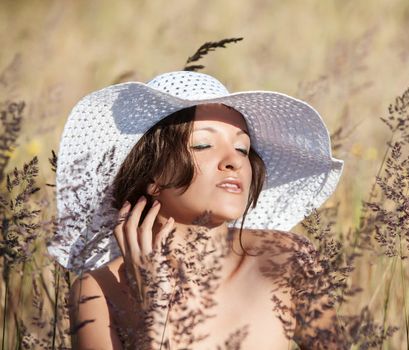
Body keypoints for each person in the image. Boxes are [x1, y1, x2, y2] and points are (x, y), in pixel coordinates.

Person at [48, 71, 345, 349]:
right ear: (152, 175)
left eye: (242, 148)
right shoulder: (100, 291)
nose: (234, 161)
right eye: (203, 145)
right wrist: (155, 317)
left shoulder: (285, 257)